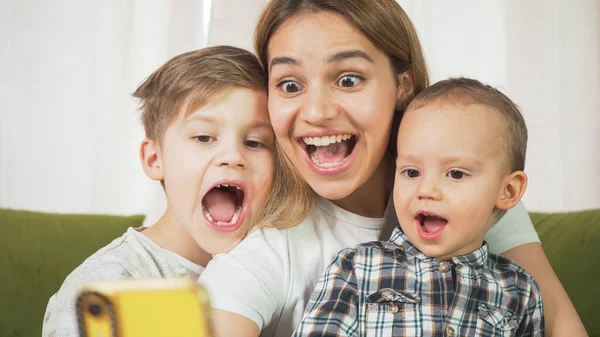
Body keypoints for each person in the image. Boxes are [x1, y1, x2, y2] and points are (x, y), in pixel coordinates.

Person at [199, 1, 587, 336]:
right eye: (288, 85)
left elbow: (557, 324)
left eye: (348, 79)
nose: (317, 112)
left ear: (403, 85)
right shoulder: (274, 250)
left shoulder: (472, 192)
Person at [42, 45, 312, 337]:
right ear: (155, 159)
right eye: (204, 137)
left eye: (255, 142)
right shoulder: (106, 285)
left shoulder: (275, 264)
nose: (233, 156)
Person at [293, 77, 544, 337]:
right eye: (411, 172)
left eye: (456, 174)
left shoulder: (519, 290)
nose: (426, 190)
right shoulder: (357, 268)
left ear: (509, 191)